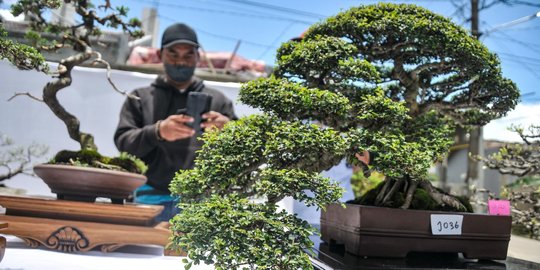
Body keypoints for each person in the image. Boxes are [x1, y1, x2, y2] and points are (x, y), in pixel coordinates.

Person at [114, 23, 237, 221]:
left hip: (202, 202)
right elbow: (123, 143)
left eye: (188, 54)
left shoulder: (219, 101)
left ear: (198, 56)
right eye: (173, 54)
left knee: (195, 253)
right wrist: (157, 131)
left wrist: (229, 131)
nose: (181, 61)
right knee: (142, 250)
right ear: (161, 54)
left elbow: (243, 150)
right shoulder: (140, 98)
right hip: (149, 197)